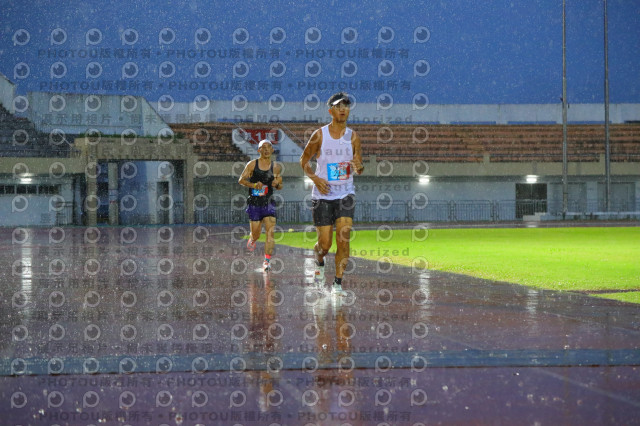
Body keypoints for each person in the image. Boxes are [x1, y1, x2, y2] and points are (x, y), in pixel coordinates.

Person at [299, 92, 364, 294]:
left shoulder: (353, 137)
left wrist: (359, 166)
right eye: (338, 106)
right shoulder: (320, 135)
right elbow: (303, 161)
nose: (343, 109)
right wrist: (316, 179)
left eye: (346, 106)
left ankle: (337, 283)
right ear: (330, 111)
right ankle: (319, 260)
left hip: (346, 193)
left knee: (343, 239)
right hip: (323, 195)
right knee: (325, 245)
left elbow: (359, 166)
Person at [238, 139, 283, 272]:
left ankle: (266, 262)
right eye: (263, 147)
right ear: (259, 150)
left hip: (268, 203)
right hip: (254, 203)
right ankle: (252, 239)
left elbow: (280, 184)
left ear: (272, 150)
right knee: (256, 234)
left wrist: (277, 184)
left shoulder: (276, 167)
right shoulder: (252, 164)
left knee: (270, 233)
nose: (266, 149)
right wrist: (253, 185)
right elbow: (241, 180)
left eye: (269, 147)